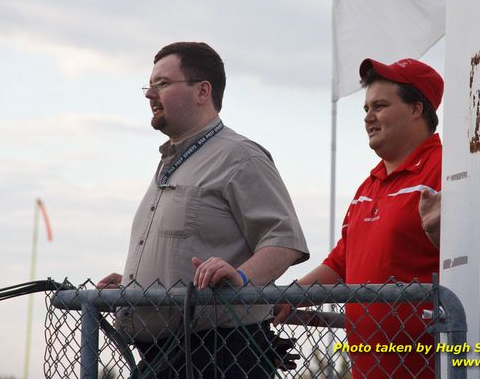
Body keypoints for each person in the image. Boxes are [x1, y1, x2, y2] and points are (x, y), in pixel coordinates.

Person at [98, 42, 309, 378]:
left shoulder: (241, 157)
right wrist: (138, 286)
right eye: (149, 85)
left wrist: (240, 278)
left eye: (163, 84)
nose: (150, 94)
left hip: (220, 357)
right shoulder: (176, 161)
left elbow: (284, 241)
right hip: (166, 358)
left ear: (202, 91)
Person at [274, 57, 443, 379]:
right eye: (366, 109)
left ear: (416, 109)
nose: (368, 117)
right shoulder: (370, 183)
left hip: (426, 368)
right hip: (368, 369)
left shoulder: (447, 170)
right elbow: (341, 263)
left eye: (379, 106)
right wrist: (288, 298)